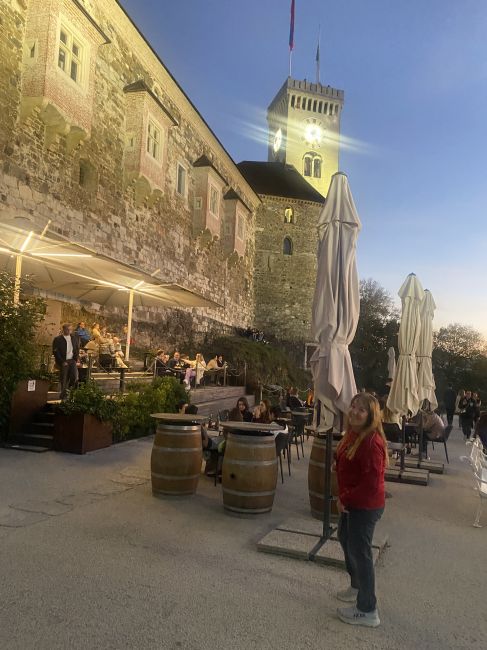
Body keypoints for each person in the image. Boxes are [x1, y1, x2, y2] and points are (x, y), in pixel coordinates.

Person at [335, 393, 388, 628]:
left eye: (362, 410)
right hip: (354, 503)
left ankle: (367, 609)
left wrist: (345, 498)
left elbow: (371, 483)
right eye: (354, 406)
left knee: (361, 554)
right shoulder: (353, 435)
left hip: (364, 506)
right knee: (344, 537)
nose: (355, 411)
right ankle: (356, 586)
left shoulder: (371, 442)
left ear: (371, 416)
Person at [52, 324, 80, 399]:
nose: (69, 331)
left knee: (74, 376)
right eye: (68, 329)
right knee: (64, 378)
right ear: (64, 330)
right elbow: (55, 351)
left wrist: (76, 358)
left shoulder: (74, 338)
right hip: (64, 361)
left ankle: (69, 390)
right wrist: (61, 361)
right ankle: (63, 396)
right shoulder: (58, 339)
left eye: (70, 329)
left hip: (72, 360)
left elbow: (77, 348)